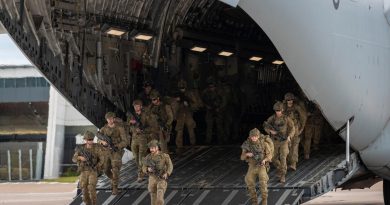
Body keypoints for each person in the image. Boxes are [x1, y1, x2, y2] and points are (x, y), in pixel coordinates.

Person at [263, 101, 295, 183]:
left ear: (282, 110)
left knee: (283, 157)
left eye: (279, 110)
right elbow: (265, 126)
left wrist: (289, 136)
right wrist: (270, 131)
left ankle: (283, 175)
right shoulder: (272, 118)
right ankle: (280, 168)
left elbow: (292, 128)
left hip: (284, 141)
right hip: (275, 141)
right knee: (273, 158)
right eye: (276, 111)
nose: (278, 112)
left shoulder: (286, 118)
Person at [241, 128, 272, 205]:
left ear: (258, 136)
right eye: (252, 136)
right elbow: (242, 157)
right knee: (249, 181)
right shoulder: (247, 144)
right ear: (250, 137)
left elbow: (269, 155)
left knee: (263, 181)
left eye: (255, 136)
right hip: (252, 165)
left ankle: (264, 200)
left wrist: (264, 160)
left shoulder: (264, 144)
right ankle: (254, 201)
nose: (254, 138)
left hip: (261, 165)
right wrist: (247, 154)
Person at [99, 112, 127, 195]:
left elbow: (125, 141)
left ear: (114, 119)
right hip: (106, 151)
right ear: (106, 120)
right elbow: (98, 139)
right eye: (108, 119)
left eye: (111, 118)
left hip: (116, 151)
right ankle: (114, 179)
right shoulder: (104, 129)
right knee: (105, 169)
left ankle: (115, 188)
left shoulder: (119, 128)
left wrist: (117, 146)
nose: (110, 120)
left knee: (115, 169)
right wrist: (102, 142)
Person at [72, 131, 104, 205]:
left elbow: (102, 159)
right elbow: (73, 159)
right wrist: (80, 157)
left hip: (93, 170)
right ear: (85, 140)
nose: (91, 141)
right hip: (83, 171)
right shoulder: (81, 148)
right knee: (84, 191)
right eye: (89, 139)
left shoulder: (97, 147)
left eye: (92, 139)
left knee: (91, 188)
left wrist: (97, 166)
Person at [128, 99, 154, 182]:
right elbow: (127, 126)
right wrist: (131, 124)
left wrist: (143, 130)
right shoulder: (131, 116)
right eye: (135, 106)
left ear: (141, 106)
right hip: (134, 140)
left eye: (138, 106)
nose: (136, 107)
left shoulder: (146, 115)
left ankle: (140, 175)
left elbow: (151, 127)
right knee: (136, 158)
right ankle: (148, 168)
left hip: (143, 139)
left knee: (141, 158)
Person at [142, 140, 173, 205]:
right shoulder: (148, 157)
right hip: (152, 178)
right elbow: (143, 167)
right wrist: (147, 169)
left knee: (159, 198)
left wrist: (167, 173)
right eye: (150, 148)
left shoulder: (164, 156)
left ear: (157, 147)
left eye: (153, 148)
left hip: (161, 178)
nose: (151, 150)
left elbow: (170, 166)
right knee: (153, 198)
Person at [283, 92, 307, 171]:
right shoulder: (283, 107)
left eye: (291, 100)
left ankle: (293, 163)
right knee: (286, 146)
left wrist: (302, 127)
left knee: (294, 146)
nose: (290, 101)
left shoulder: (297, 107)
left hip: (295, 128)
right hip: (286, 129)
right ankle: (285, 162)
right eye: (288, 100)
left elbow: (303, 117)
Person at [173, 79, 198, 152]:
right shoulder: (177, 94)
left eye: (183, 88)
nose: (182, 89)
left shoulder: (190, 94)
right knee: (179, 130)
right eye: (181, 88)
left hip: (188, 113)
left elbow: (195, 105)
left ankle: (193, 144)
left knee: (191, 129)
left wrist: (189, 105)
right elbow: (174, 105)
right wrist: (177, 102)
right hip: (180, 114)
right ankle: (179, 146)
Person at [201, 77, 224, 144]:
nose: (211, 88)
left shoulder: (219, 92)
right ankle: (208, 140)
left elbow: (223, 101)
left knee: (219, 126)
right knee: (209, 126)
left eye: (212, 86)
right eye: (210, 86)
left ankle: (221, 140)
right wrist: (206, 106)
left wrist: (219, 108)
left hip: (217, 110)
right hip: (210, 111)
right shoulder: (206, 92)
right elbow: (203, 101)